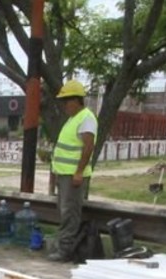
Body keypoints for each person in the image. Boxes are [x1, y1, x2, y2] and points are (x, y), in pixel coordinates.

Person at [48, 80, 97, 262]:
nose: (64, 105)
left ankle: (65, 250)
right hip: (64, 174)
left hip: (73, 176)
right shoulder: (73, 119)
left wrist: (78, 172)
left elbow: (88, 146)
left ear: (77, 100)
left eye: (67, 101)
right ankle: (64, 246)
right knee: (64, 210)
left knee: (70, 213)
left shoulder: (86, 118)